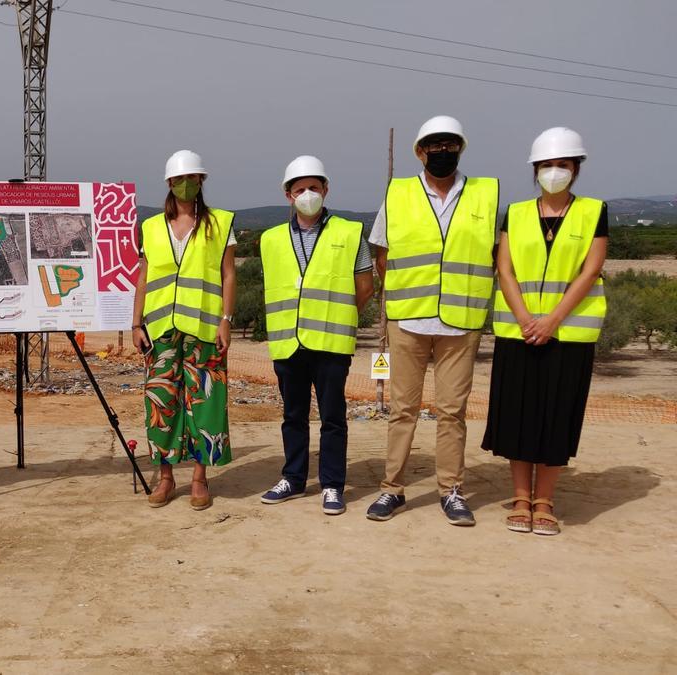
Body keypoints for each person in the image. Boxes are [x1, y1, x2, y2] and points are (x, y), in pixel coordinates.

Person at [365, 116, 499, 526]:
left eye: (450, 144)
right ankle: (392, 489)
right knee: (402, 410)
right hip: (409, 319)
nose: (442, 151)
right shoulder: (398, 193)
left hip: (461, 321)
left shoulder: (484, 194)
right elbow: (382, 255)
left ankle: (451, 490)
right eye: (434, 145)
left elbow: (496, 254)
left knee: (452, 411)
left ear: (460, 148)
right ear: (420, 152)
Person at [484, 128, 607, 536]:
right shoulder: (516, 213)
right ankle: (521, 497)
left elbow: (590, 271)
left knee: (557, 416)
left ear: (576, 169)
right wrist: (525, 319)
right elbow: (505, 270)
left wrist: (552, 320)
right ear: (535, 170)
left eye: (563, 164)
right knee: (518, 416)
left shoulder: (593, 211)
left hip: (567, 335)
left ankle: (545, 500)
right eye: (547, 165)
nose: (555, 171)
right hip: (519, 333)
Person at [257, 156, 373, 515]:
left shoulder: (350, 233)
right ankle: (293, 478)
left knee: (332, 417)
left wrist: (337, 315)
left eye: (313, 187)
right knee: (293, 415)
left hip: (331, 343)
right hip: (288, 342)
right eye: (299, 189)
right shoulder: (270, 239)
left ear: (325, 190)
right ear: (288, 195)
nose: (307, 194)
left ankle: (332, 484)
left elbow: (365, 286)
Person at [132, 150, 236, 510]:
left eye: (192, 178)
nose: (186, 184)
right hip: (161, 329)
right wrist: (136, 323)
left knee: (205, 402)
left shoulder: (219, 223)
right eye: (179, 179)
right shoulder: (151, 226)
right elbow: (144, 277)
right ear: (169, 182)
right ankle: (165, 477)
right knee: (161, 403)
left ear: (201, 181)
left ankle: (199, 478)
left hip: (205, 329)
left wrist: (227, 319)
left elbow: (228, 275)